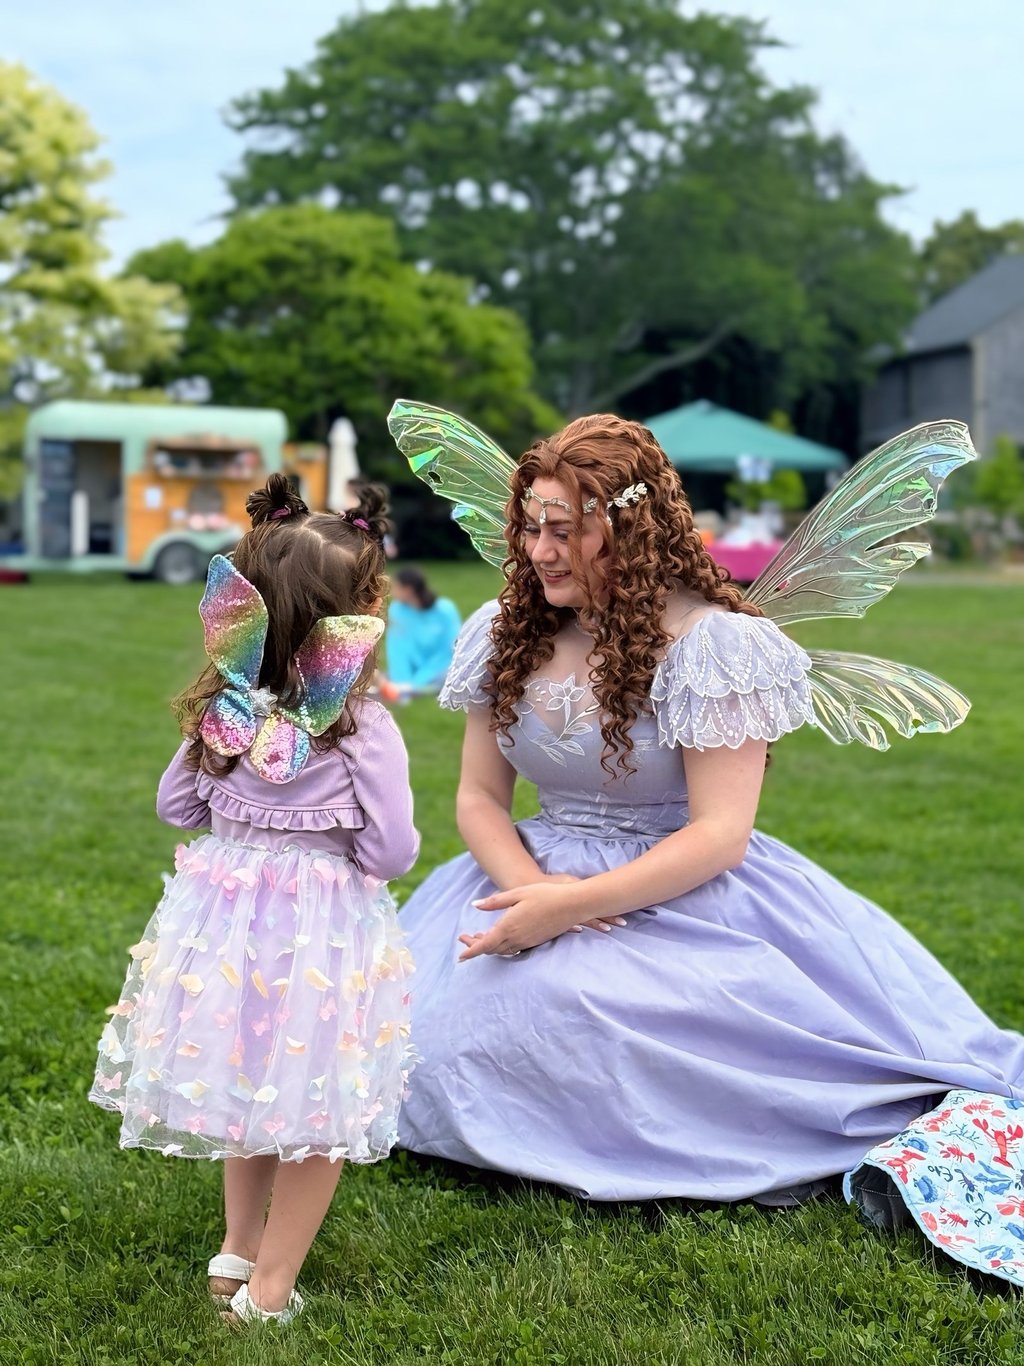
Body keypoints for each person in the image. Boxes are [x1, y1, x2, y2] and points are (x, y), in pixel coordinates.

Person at [396, 413, 1024, 1283]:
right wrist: (527, 901)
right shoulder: (505, 629)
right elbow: (475, 797)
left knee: (583, 1014)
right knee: (444, 1019)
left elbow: (721, 834)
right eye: (530, 526)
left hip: (681, 886)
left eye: (566, 530)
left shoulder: (715, 647)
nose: (540, 550)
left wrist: (573, 910)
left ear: (629, 529)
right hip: (523, 876)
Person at [89, 474, 419, 1326]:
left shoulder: (225, 713)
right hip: (316, 938)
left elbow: (178, 808)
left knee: (249, 1083)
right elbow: (390, 851)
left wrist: (218, 738)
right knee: (315, 1104)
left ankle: (236, 1251)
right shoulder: (364, 730)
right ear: (354, 619)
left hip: (228, 931)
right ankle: (269, 1290)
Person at [378, 567, 462, 702]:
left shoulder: (445, 610)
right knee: (380, 679)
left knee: (452, 677)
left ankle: (422, 688)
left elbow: (449, 648)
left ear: (408, 589)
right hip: (413, 665)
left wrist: (418, 680)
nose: (392, 593)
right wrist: (401, 682)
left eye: (396, 587)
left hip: (441, 665)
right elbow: (397, 647)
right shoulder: (397, 610)